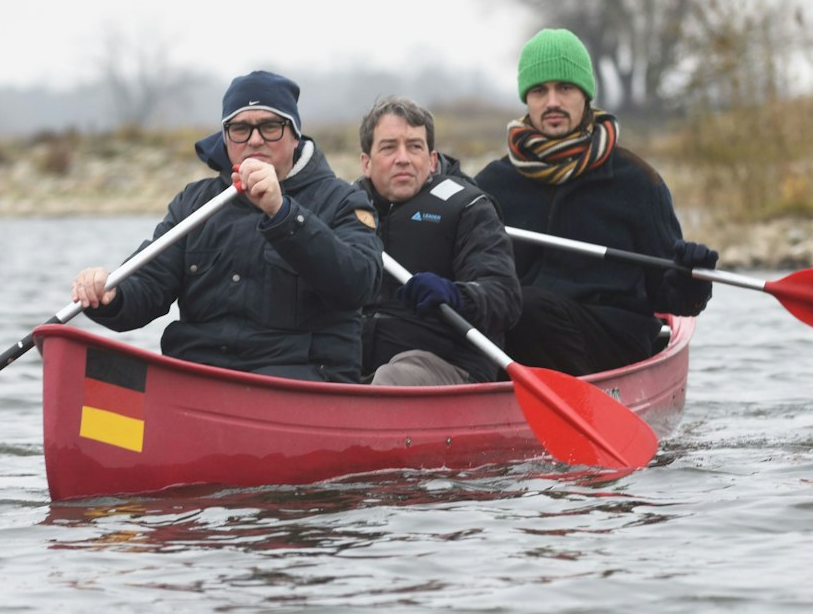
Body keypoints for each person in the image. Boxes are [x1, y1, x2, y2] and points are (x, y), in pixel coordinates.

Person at [69, 70, 381, 382]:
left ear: (295, 135)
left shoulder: (344, 200)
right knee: (97, 374)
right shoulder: (194, 203)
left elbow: (358, 284)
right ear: (226, 138)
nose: (255, 139)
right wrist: (111, 295)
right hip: (197, 375)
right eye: (240, 129)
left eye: (270, 127)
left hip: (300, 380)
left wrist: (282, 213)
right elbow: (149, 283)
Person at [474, 28, 717, 376]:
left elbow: (671, 299)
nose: (552, 102)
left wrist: (691, 279)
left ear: (585, 95)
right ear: (527, 99)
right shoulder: (491, 185)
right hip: (517, 338)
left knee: (525, 307)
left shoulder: (637, 180)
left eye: (565, 88)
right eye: (539, 91)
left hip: (613, 341)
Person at [356, 96, 522, 385]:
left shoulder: (469, 209)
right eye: (389, 147)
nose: (403, 158)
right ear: (366, 163)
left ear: (432, 161)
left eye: (415, 146)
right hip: (352, 360)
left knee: (391, 377)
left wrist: (456, 295)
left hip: (447, 365)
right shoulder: (343, 210)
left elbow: (504, 298)